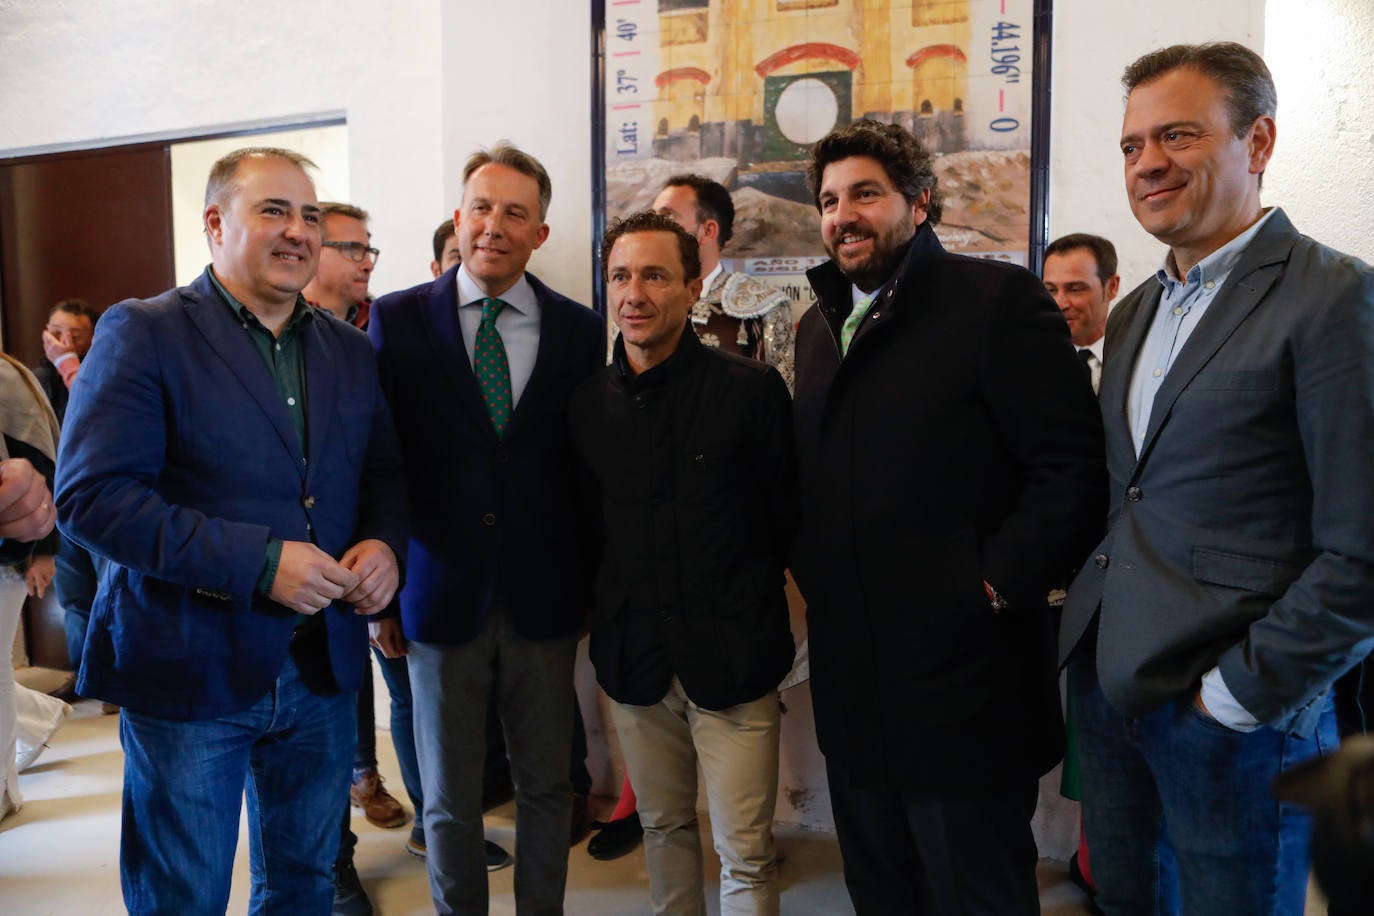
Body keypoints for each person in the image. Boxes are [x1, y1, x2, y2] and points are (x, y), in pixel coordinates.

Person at [1058, 41, 1374, 915]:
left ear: (1258, 141)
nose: (1148, 163)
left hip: (1237, 717)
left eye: (1178, 136)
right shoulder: (1132, 313)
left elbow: (1364, 552)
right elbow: (1134, 493)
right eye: (1131, 145)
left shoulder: (1335, 298)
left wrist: (1236, 698)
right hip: (1112, 688)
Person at [54, 147, 408, 915]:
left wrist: (383, 545)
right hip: (190, 666)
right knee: (184, 892)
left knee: (304, 885)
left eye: (310, 215)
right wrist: (261, 563)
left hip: (319, 670)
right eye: (273, 210)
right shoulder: (142, 332)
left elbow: (379, 473)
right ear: (215, 223)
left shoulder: (347, 348)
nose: (298, 231)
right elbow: (91, 498)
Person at [790, 119, 1106, 914]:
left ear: (919, 202)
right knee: (883, 892)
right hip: (857, 693)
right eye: (830, 200)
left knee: (977, 895)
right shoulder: (816, 329)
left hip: (966, 688)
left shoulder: (996, 301)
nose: (844, 215)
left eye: (866, 192)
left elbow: (1069, 474)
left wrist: (986, 591)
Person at [369, 142, 603, 914]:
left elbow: (585, 471)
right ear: (459, 215)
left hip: (544, 600)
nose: (493, 225)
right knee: (448, 798)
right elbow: (381, 464)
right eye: (481, 207)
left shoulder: (578, 330)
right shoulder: (399, 320)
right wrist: (382, 599)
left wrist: (593, 590)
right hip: (437, 598)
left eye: (514, 212)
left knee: (547, 786)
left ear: (540, 232)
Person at [572, 211, 796, 914]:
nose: (634, 293)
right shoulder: (585, 406)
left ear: (693, 285)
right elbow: (584, 531)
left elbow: (786, 517)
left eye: (655, 275)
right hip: (635, 660)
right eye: (620, 276)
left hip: (734, 658)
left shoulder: (751, 392)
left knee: (746, 852)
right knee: (665, 828)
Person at [650, 174, 795, 391]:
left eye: (668, 217)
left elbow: (777, 402)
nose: (652, 229)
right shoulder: (635, 302)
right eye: (652, 218)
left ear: (708, 231)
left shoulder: (764, 305)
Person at [0, 353, 62, 824]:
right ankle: (41, 719)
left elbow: (43, 466)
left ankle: (3, 787)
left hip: (10, 554)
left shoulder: (9, 379)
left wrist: (44, 550)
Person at [32, 299, 104, 678]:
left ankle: (117, 679)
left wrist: (69, 367)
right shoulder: (34, 380)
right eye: (56, 332)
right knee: (75, 599)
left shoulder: (103, 372)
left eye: (75, 335)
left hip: (102, 504)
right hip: (55, 509)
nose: (64, 341)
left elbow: (96, 415)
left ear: (92, 338)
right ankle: (86, 677)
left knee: (113, 594)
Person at [1042, 233, 1120, 393]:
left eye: (1075, 289)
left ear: (1111, 287)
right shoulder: (1032, 361)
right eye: (1051, 290)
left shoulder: (1138, 359)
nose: (1060, 304)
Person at [304, 202, 378, 330]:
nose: (369, 265)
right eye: (354, 250)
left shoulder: (383, 324)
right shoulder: (277, 324)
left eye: (368, 251)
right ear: (310, 249)